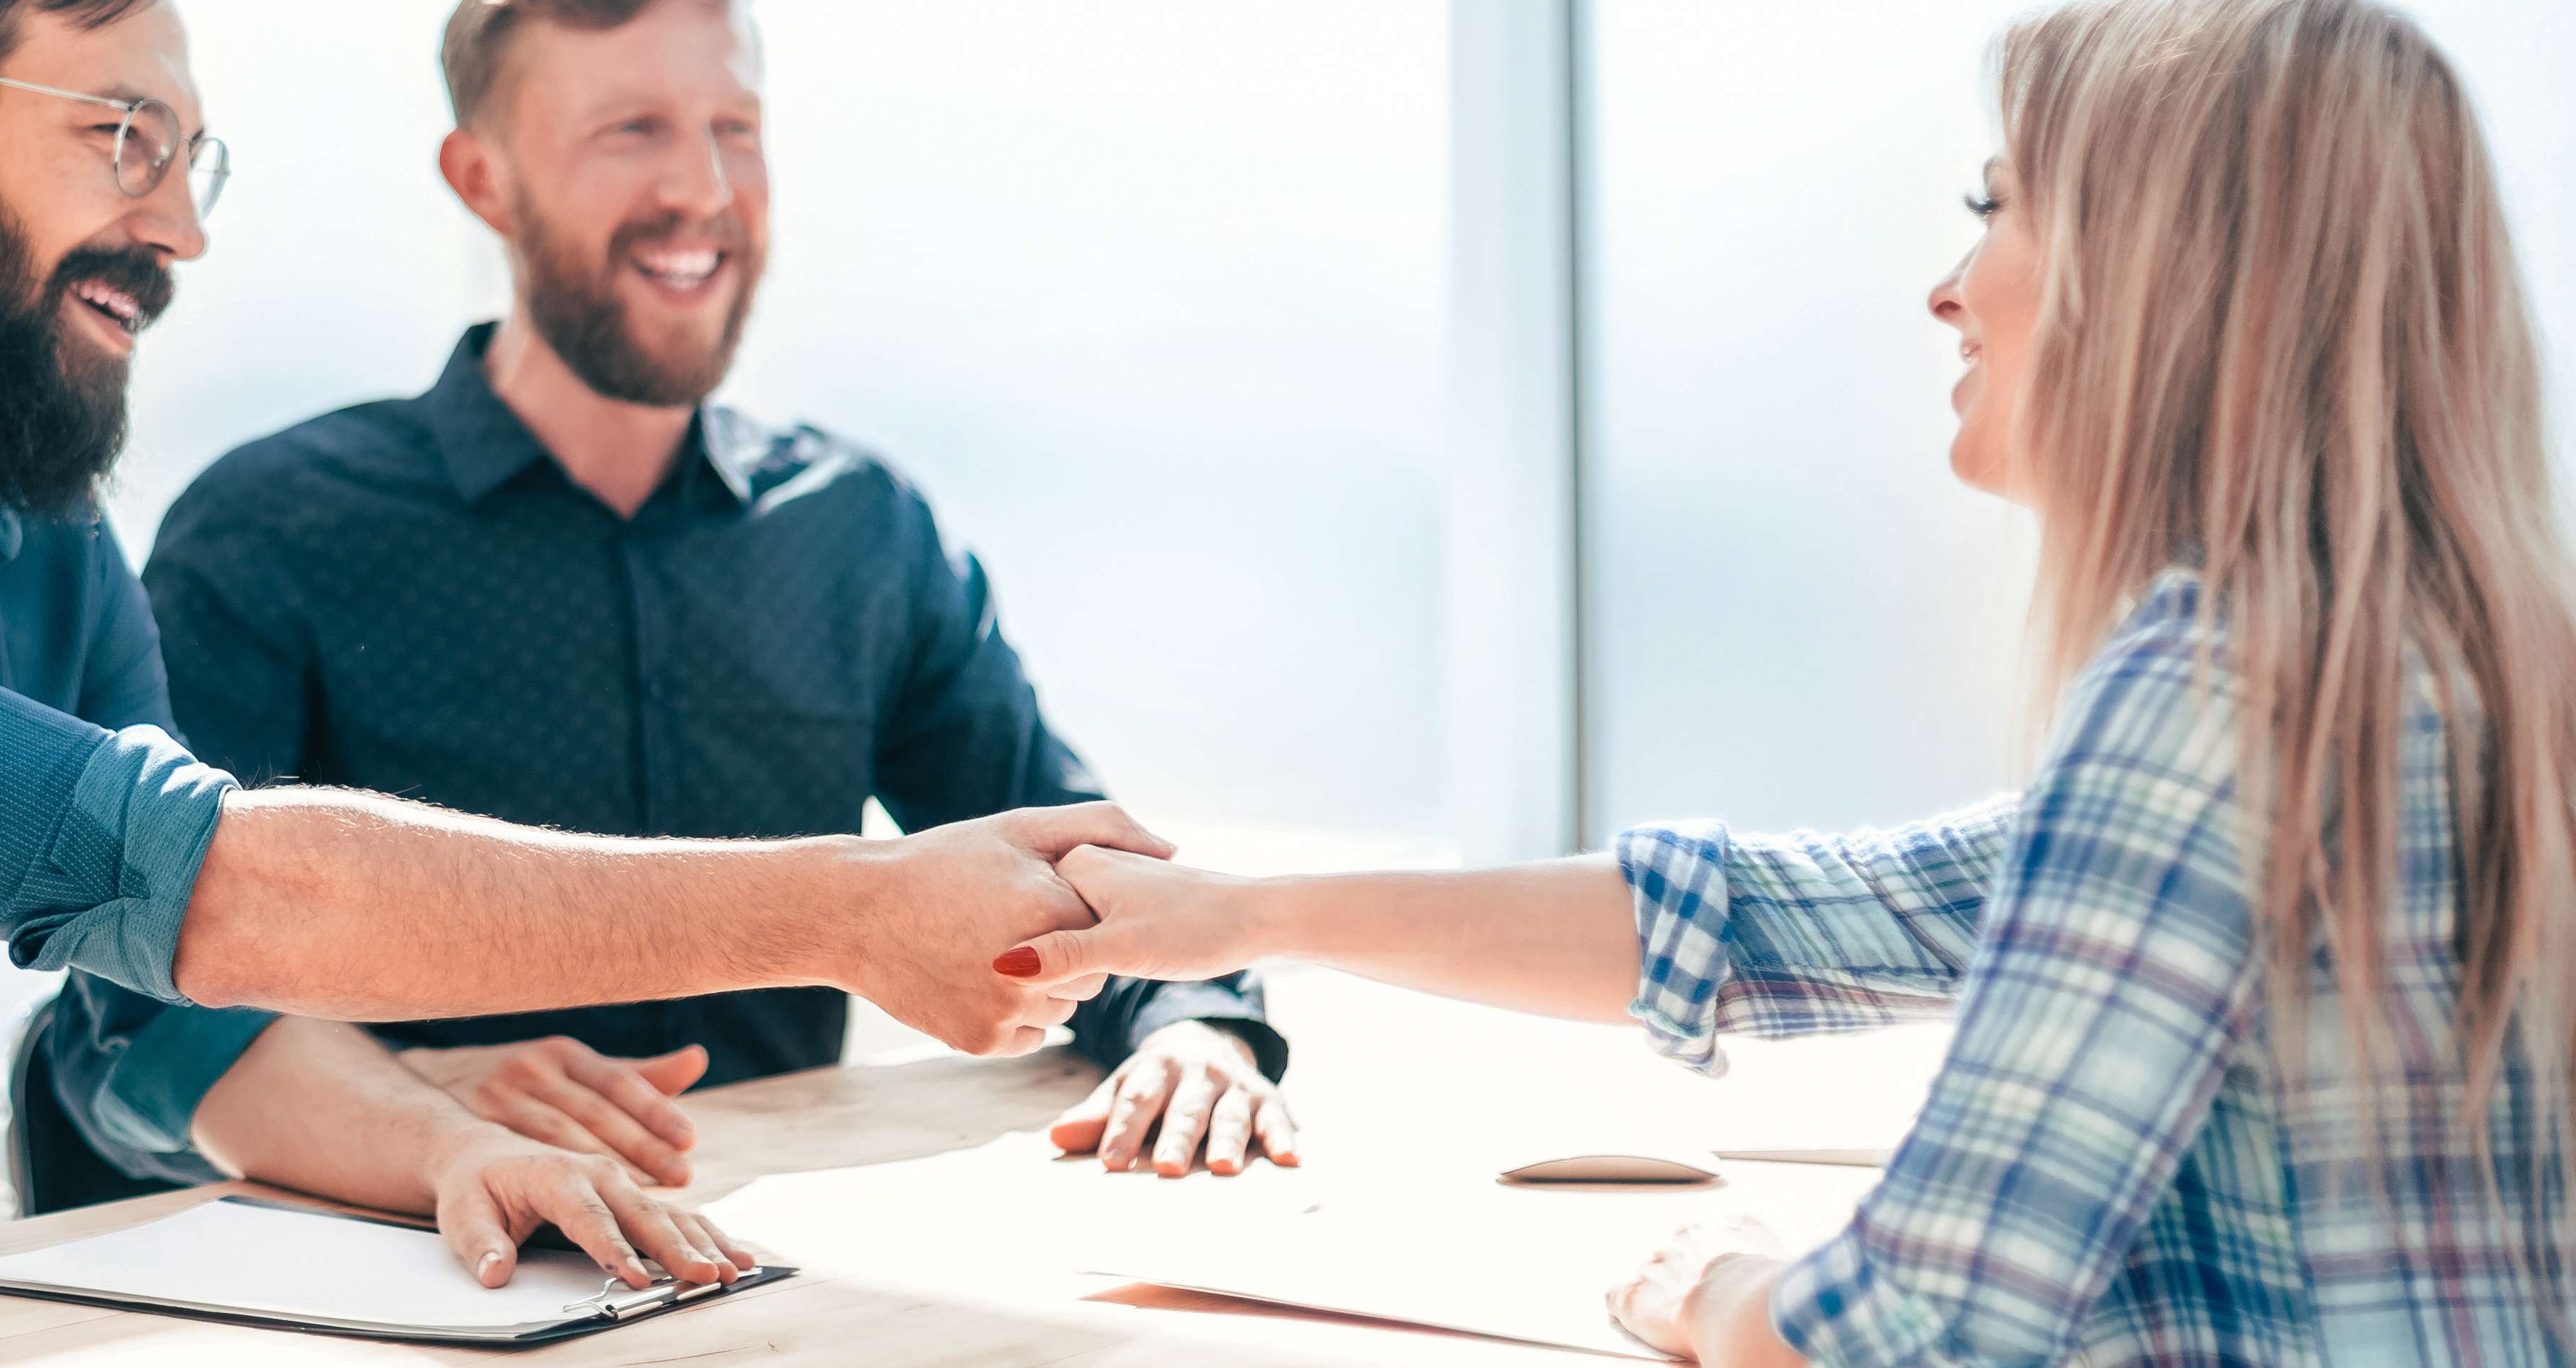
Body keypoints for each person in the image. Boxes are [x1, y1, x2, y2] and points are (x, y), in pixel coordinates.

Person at [0, 0, 1169, 1351]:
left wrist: (449, 1147)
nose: (177, 226)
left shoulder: (40, 545)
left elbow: (175, 1004)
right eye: (118, 138)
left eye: (188, 158)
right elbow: (232, 891)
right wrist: (851, 910)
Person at [1008, 0, 2576, 1362]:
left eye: (1996, 206)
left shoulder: (2214, 702)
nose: (1947, 288)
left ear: (2165, 274)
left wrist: (1717, 1292)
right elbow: (1799, 912)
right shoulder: (2446, 679)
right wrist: (1247, 915)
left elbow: (1911, 1334)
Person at [26, 0, 1291, 1227]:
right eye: (629, 130)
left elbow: (1070, 874)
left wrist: (1195, 1031)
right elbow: (126, 1016)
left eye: (732, 127)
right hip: (417, 1269)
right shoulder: (274, 530)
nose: (703, 188)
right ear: (485, 181)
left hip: (766, 1265)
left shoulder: (860, 530)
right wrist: (396, 1098)